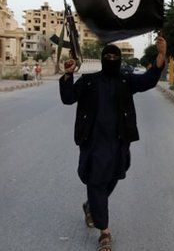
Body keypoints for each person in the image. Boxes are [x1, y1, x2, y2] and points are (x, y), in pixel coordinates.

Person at [59, 36, 167, 251]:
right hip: (93, 143)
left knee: (112, 178)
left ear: (118, 59)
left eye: (114, 57)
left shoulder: (126, 80)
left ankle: (91, 205)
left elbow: (148, 80)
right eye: (107, 56)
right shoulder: (90, 81)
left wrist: (162, 54)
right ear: (102, 59)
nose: (111, 59)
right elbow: (68, 98)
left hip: (118, 142)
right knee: (96, 182)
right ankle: (104, 232)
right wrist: (68, 74)